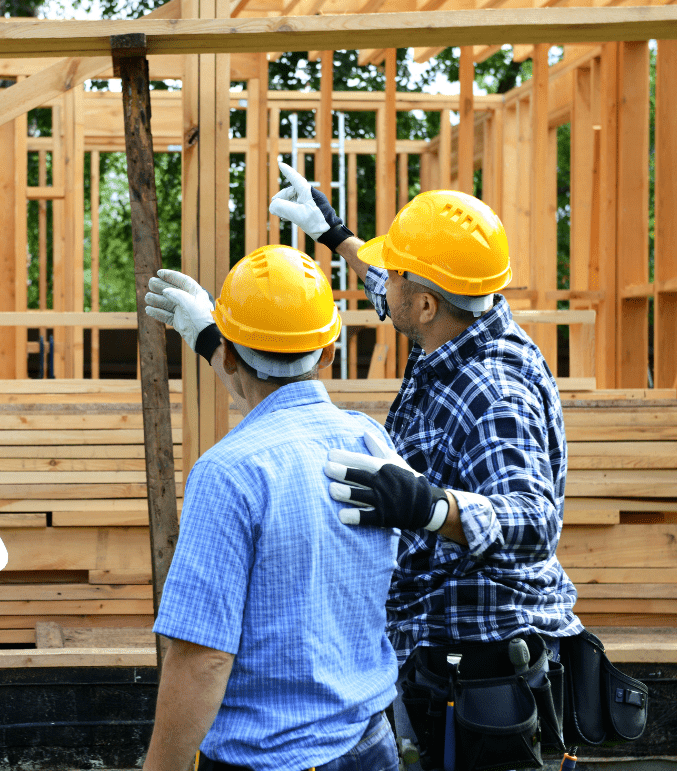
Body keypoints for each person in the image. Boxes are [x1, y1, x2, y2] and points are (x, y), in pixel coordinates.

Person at [149, 162, 582, 770]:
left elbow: (536, 523)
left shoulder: (494, 389)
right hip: (378, 715)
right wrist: (335, 237)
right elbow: (363, 310)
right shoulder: (444, 334)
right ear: (329, 351)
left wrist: (432, 506)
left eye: (398, 274)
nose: (384, 286)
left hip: (484, 665)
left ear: (427, 303)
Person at [142, 244, 401, 771]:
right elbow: (281, 403)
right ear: (330, 351)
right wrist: (209, 336)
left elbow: (202, 659)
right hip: (370, 744)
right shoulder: (370, 441)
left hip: (272, 760)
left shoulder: (229, 473)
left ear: (231, 356)